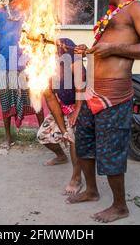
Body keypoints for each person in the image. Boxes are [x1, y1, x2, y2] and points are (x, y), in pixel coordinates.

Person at [68, 0, 140, 223]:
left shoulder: (137, 8)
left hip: (115, 93)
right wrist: (87, 51)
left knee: (111, 151)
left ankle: (120, 206)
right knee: (84, 142)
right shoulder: (112, 14)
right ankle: (91, 190)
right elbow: (104, 51)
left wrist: (112, 48)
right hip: (92, 90)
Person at [0, 0, 44, 148]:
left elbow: (37, 34)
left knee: (35, 99)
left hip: (26, 64)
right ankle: (8, 137)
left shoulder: (29, 12)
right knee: (6, 101)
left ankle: (43, 134)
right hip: (5, 64)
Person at [37, 38, 85, 195]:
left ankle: (76, 178)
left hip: (83, 104)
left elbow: (81, 85)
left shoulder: (69, 55)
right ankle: (61, 156)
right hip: (64, 108)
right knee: (42, 135)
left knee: (73, 138)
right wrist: (62, 129)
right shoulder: (42, 69)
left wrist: (76, 112)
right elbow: (51, 99)